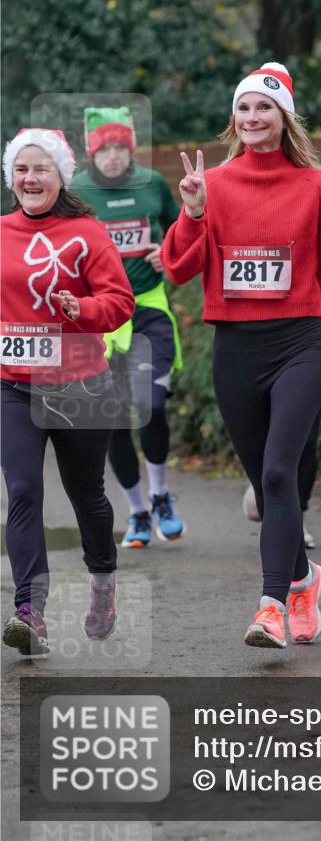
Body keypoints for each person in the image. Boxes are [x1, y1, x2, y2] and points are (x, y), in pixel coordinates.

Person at [162, 62, 321, 648]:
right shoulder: (215, 185)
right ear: (233, 119)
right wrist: (192, 211)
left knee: (280, 471)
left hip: (299, 345)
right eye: (244, 107)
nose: (253, 116)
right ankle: (304, 579)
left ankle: (270, 608)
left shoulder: (315, 185)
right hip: (236, 349)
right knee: (266, 490)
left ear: (284, 117)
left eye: (264, 107)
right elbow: (179, 268)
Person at [1, 128, 135, 656]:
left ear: (60, 176)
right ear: (11, 178)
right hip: (14, 387)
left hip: (81, 385)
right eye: (22, 169)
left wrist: (83, 308)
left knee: (87, 495)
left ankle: (103, 579)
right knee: (23, 492)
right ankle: (29, 612)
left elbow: (120, 303)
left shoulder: (86, 233)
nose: (31, 178)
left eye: (42, 169)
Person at [71, 107, 186, 549]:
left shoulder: (152, 183)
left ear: (131, 149)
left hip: (149, 309)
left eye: (121, 147)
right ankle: (137, 512)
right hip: (100, 318)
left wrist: (168, 252)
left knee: (150, 403)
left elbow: (183, 229)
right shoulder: (75, 192)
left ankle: (160, 495)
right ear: (92, 152)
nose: (114, 156)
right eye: (106, 148)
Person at [242, 248, 321, 548]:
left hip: (301, 347)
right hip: (246, 344)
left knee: (303, 438)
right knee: (258, 434)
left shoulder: (312, 223)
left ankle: (296, 516)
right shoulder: (238, 223)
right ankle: (263, 486)